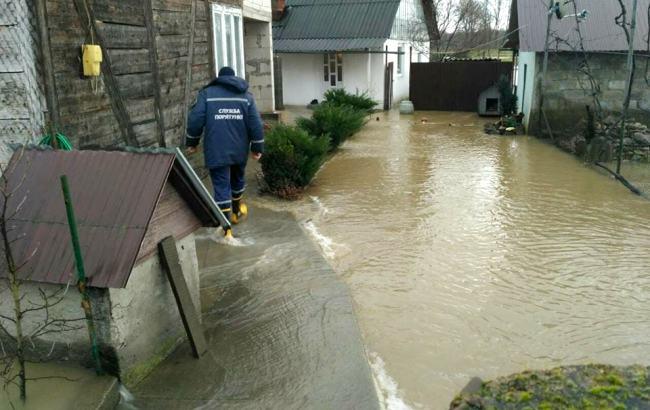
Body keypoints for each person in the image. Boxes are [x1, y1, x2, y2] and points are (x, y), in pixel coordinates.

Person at [186, 66, 264, 237]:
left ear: (219, 78)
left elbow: (195, 119)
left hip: (216, 149)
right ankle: (235, 212)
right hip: (239, 148)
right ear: (234, 78)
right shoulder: (246, 96)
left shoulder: (207, 94)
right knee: (237, 178)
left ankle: (226, 228)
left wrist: (192, 142)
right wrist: (257, 147)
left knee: (221, 186)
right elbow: (255, 124)